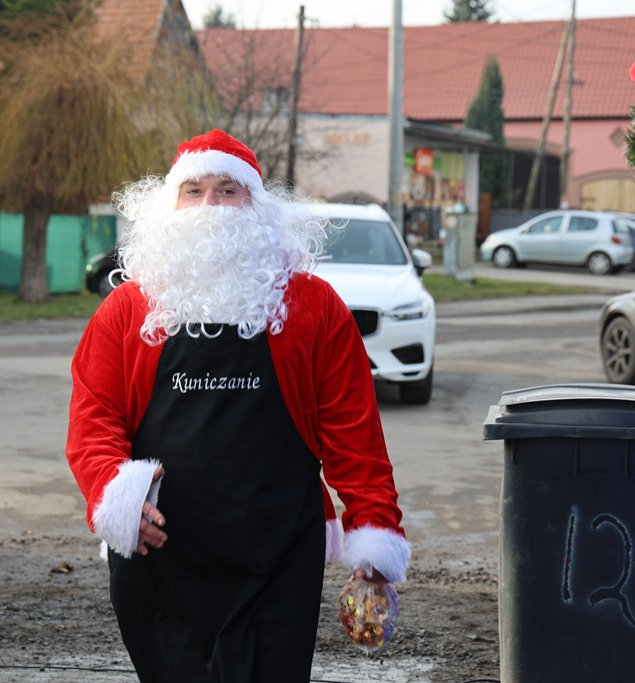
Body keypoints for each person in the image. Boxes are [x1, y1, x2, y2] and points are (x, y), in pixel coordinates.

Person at [65, 129, 409, 683]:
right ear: (169, 206)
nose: (211, 208)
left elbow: (354, 434)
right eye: (194, 191)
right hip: (161, 557)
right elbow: (94, 419)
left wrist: (374, 531)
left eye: (229, 190)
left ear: (258, 206)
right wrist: (117, 494)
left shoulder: (315, 307)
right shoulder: (127, 310)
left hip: (277, 558)